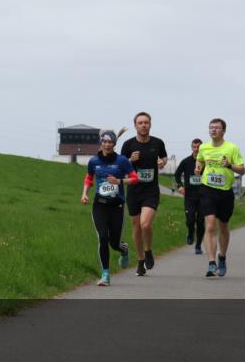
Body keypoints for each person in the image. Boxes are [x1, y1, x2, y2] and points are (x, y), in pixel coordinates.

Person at [81, 130, 137, 286]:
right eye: (104, 142)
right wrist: (85, 193)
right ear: (101, 143)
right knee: (102, 237)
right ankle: (105, 273)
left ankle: (123, 249)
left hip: (117, 206)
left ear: (114, 144)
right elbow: (89, 178)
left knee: (114, 243)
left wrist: (119, 181)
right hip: (99, 205)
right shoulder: (93, 161)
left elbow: (134, 178)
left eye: (110, 142)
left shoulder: (122, 161)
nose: (107, 145)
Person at [195, 118, 245, 277]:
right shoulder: (203, 147)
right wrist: (198, 168)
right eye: (211, 127)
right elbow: (200, 160)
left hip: (225, 191)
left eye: (217, 128)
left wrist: (229, 165)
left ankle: (222, 257)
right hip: (207, 189)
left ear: (224, 130)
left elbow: (242, 170)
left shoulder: (232, 148)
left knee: (223, 226)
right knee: (209, 225)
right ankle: (211, 262)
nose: (213, 130)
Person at [121, 112, 168, 276]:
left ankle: (148, 251)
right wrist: (130, 161)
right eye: (140, 123)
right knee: (136, 226)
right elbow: (120, 166)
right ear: (135, 125)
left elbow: (164, 158)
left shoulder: (157, 142)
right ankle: (140, 261)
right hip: (134, 190)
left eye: (146, 122)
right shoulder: (128, 145)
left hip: (151, 190)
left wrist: (162, 162)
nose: (143, 125)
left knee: (145, 224)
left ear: (150, 124)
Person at [174, 138, 206, 253]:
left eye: (198, 147)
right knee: (190, 219)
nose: (196, 149)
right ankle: (190, 233)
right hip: (190, 196)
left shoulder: (206, 162)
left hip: (203, 196)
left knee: (201, 222)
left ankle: (198, 246)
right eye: (194, 147)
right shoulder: (186, 161)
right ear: (191, 147)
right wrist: (180, 186)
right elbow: (177, 175)